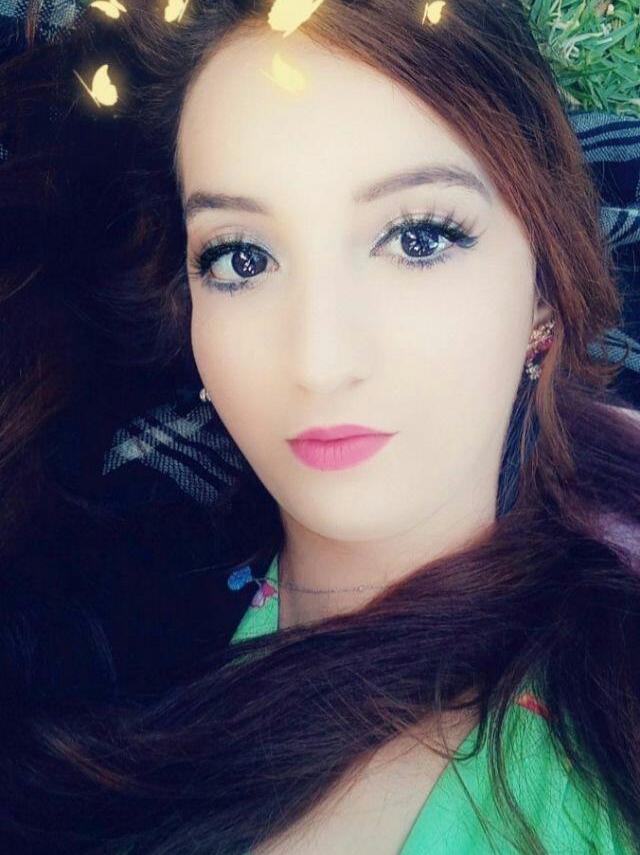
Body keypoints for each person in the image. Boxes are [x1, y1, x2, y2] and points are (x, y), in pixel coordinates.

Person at [1, 1, 640, 853]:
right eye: (241, 257)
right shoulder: (100, 577)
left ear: (544, 294)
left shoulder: (600, 743)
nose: (319, 360)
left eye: (419, 238)